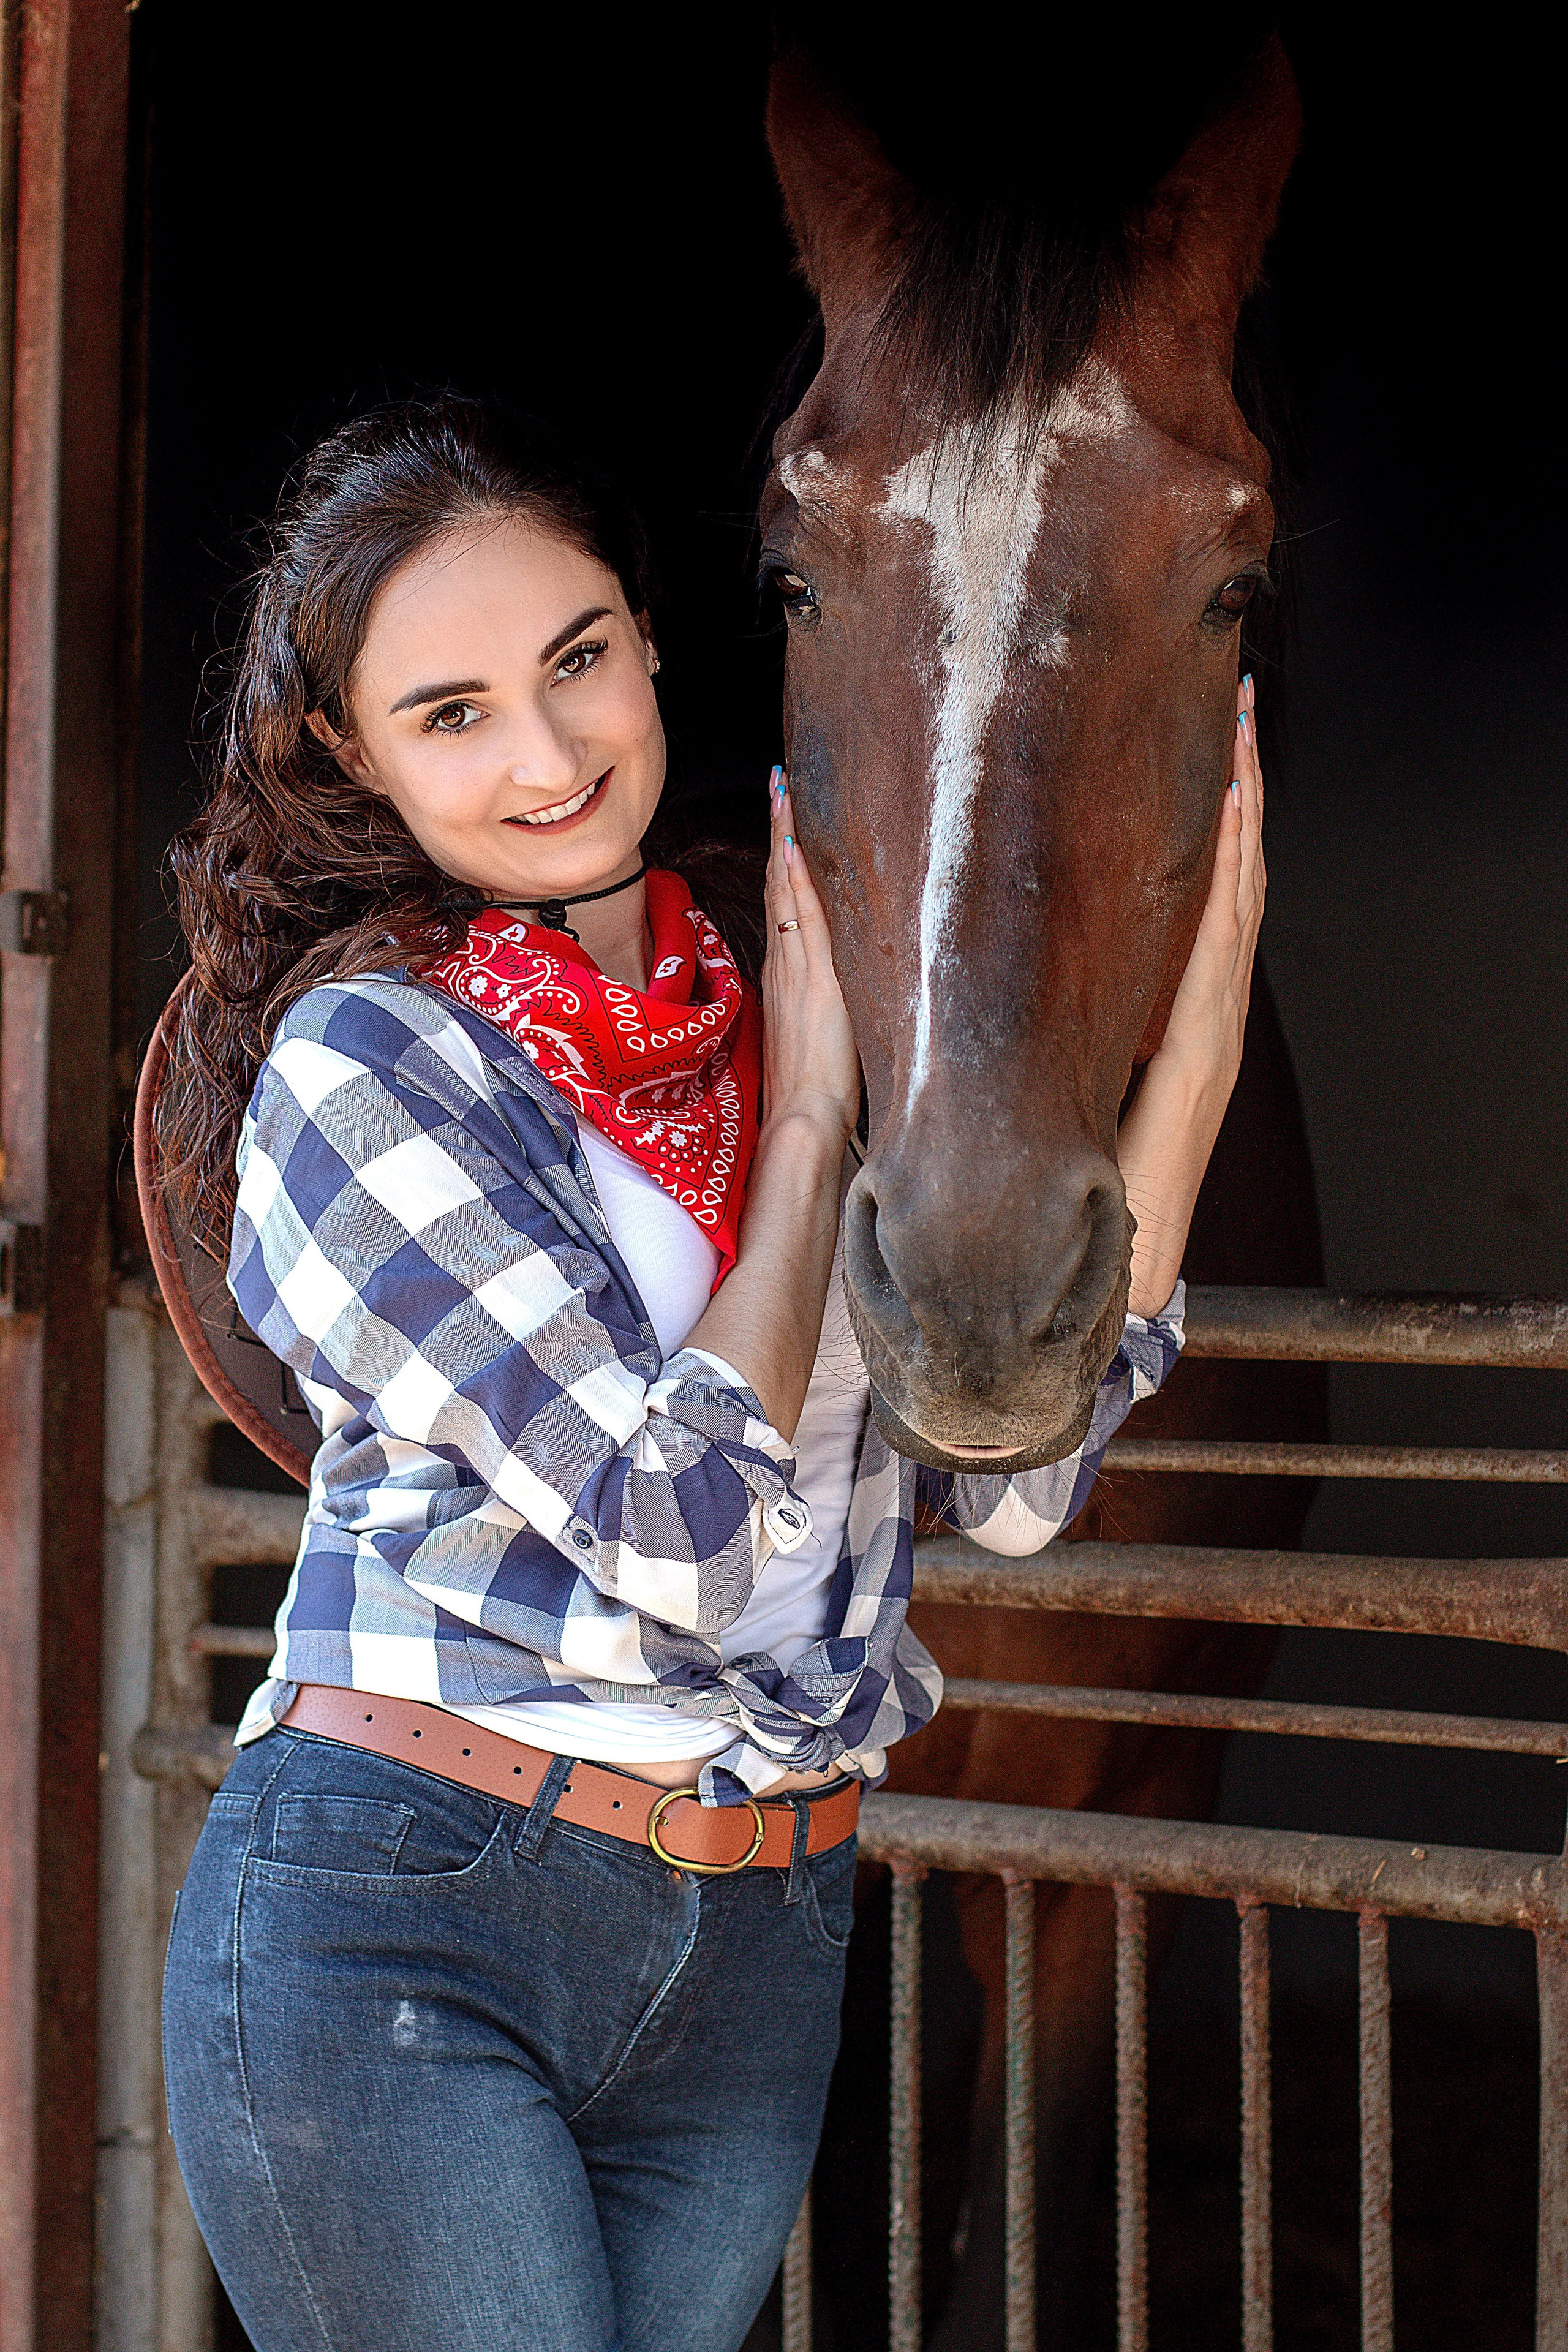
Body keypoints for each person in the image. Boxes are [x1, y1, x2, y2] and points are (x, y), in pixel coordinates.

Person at [157, 396, 1264, 2352]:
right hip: (417, 1913)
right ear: (349, 752)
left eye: (577, 660)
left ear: (653, 641)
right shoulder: (370, 1069)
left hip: (754, 1936)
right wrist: (814, 1137)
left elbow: (1003, 1489)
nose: (551, 752)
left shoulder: (788, 998)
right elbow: (678, 1528)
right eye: (454, 712)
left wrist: (1189, 1066)